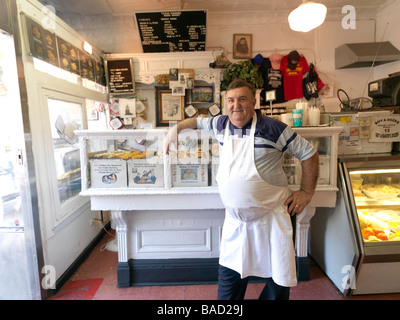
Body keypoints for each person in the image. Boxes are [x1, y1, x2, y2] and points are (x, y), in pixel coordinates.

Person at [164, 79, 319, 300]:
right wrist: (174, 131)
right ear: (226, 103)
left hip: (272, 220)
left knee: (277, 285)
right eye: (231, 100)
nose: (236, 105)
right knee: (228, 290)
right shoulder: (219, 124)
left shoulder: (273, 128)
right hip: (236, 224)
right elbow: (197, 122)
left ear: (254, 101)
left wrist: (306, 192)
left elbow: (309, 153)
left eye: (242, 99)